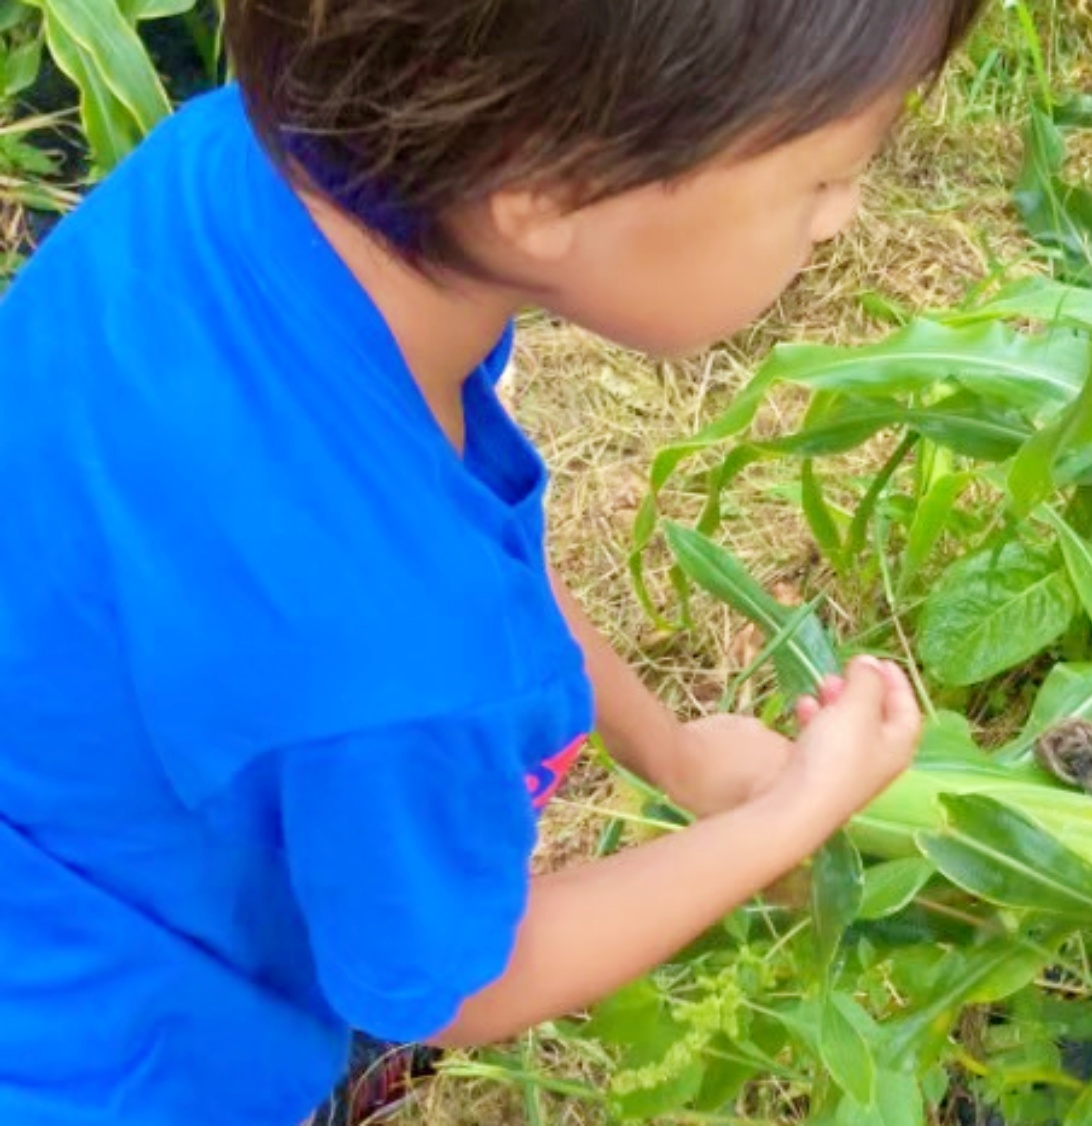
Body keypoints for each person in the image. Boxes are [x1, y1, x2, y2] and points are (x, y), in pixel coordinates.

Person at [0, 1, 984, 1122]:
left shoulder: (241, 174)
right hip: (114, 1064)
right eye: (818, 179)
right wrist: (784, 818)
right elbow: (465, 983)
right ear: (546, 196)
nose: (841, 216)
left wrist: (673, 753)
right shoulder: (392, 653)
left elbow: (452, 534)